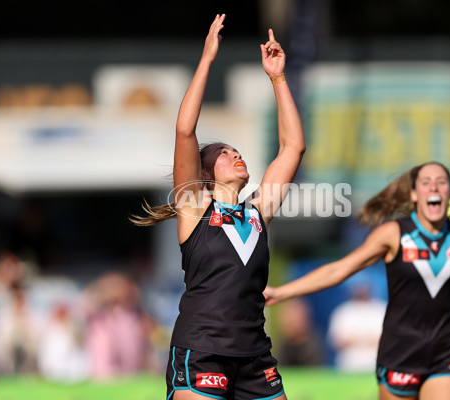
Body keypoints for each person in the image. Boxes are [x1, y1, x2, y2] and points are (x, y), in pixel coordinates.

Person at [264, 162, 450, 400]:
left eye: (442, 182)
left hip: (445, 351)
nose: (435, 187)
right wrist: (283, 291)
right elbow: (339, 270)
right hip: (400, 352)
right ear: (415, 195)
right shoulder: (394, 234)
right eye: (426, 182)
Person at [131, 14, 305, 400]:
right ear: (205, 174)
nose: (235, 154)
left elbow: (292, 148)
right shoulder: (193, 208)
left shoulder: (257, 213)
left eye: (238, 150)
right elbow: (185, 131)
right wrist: (207, 59)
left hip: (256, 356)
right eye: (223, 153)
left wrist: (277, 78)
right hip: (202, 349)